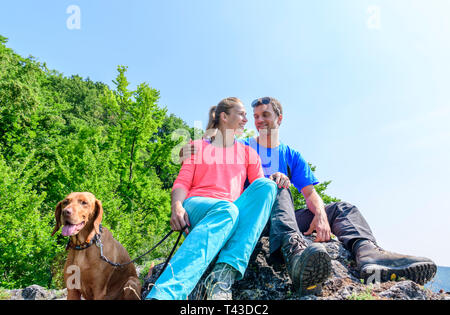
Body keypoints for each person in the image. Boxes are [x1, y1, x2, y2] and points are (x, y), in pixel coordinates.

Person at [180, 97, 437, 295]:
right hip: (253, 219)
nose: (258, 121)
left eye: (265, 115)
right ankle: (295, 254)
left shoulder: (292, 155)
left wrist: (322, 216)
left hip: (286, 217)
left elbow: (311, 193)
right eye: (255, 116)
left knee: (343, 208)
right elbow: (215, 144)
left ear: (280, 118)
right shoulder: (244, 146)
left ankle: (368, 254)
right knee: (278, 184)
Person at [145, 97, 277, 300]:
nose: (246, 120)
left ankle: (223, 276)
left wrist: (279, 178)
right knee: (227, 210)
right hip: (198, 205)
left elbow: (259, 194)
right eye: (241, 114)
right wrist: (177, 207)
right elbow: (182, 182)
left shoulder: (249, 153)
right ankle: (164, 295)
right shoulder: (197, 147)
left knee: (267, 186)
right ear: (224, 116)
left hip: (231, 212)